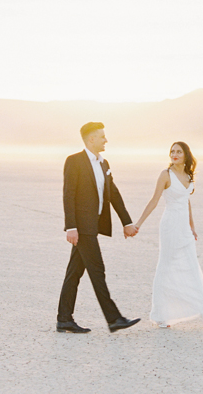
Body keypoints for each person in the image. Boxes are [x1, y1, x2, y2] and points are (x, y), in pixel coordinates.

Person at [56, 122, 141, 334]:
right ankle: (114, 319)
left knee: (74, 273)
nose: (106, 140)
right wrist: (71, 227)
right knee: (97, 271)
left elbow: (113, 193)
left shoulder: (103, 163)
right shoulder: (74, 161)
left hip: (92, 226)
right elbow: (68, 195)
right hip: (82, 228)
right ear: (91, 139)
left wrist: (127, 222)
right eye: (102, 136)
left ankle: (64, 319)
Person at [133, 141, 203, 328]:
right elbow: (154, 200)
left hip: (184, 227)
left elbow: (186, 201)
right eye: (172, 151)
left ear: (185, 155)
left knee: (191, 266)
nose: (174, 154)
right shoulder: (165, 175)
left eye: (178, 152)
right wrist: (138, 224)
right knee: (166, 267)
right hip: (170, 225)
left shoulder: (189, 176)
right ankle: (160, 315)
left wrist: (192, 226)